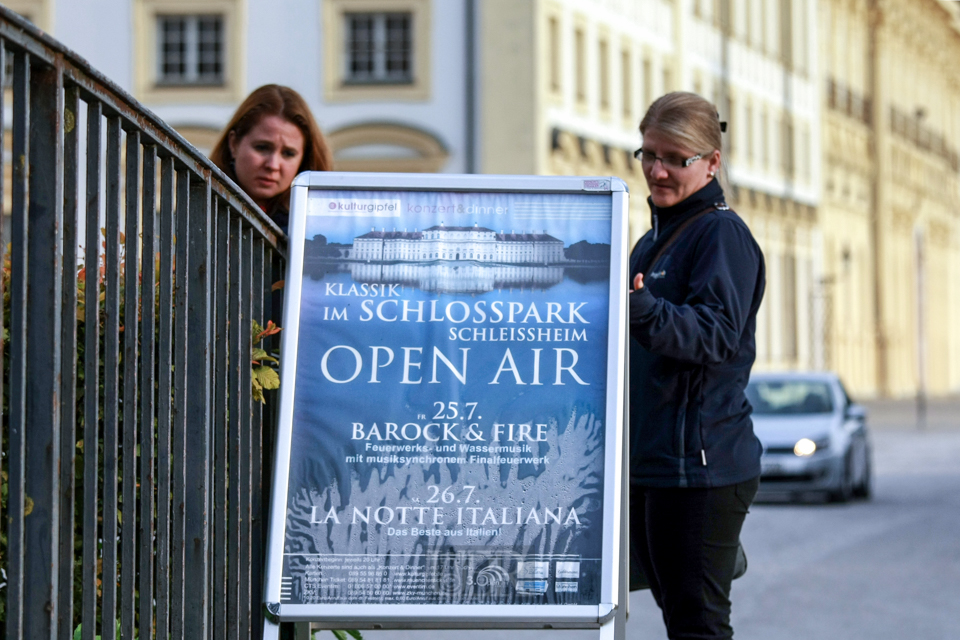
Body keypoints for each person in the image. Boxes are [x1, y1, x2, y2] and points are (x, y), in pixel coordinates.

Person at [628, 91, 766, 640]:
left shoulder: (720, 234)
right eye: (647, 154)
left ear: (712, 162)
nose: (657, 171)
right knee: (681, 619)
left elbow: (716, 335)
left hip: (701, 469)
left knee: (699, 626)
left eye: (674, 159)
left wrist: (642, 309)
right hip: (656, 464)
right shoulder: (650, 241)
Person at [210, 84, 333, 233]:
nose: (273, 165)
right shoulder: (195, 213)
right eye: (262, 147)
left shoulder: (316, 230)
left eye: (288, 153)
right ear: (234, 144)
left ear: (304, 159)